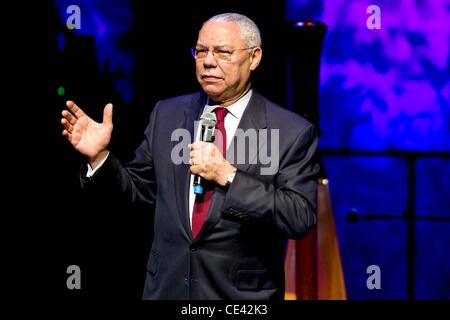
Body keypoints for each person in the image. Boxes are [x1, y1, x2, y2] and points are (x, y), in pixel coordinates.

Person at [61, 13, 319, 300]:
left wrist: (229, 177)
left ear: (254, 58)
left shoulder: (290, 131)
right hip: (167, 291)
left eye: (222, 52)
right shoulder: (167, 114)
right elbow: (137, 194)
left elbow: (299, 216)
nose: (208, 61)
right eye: (201, 51)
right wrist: (100, 159)